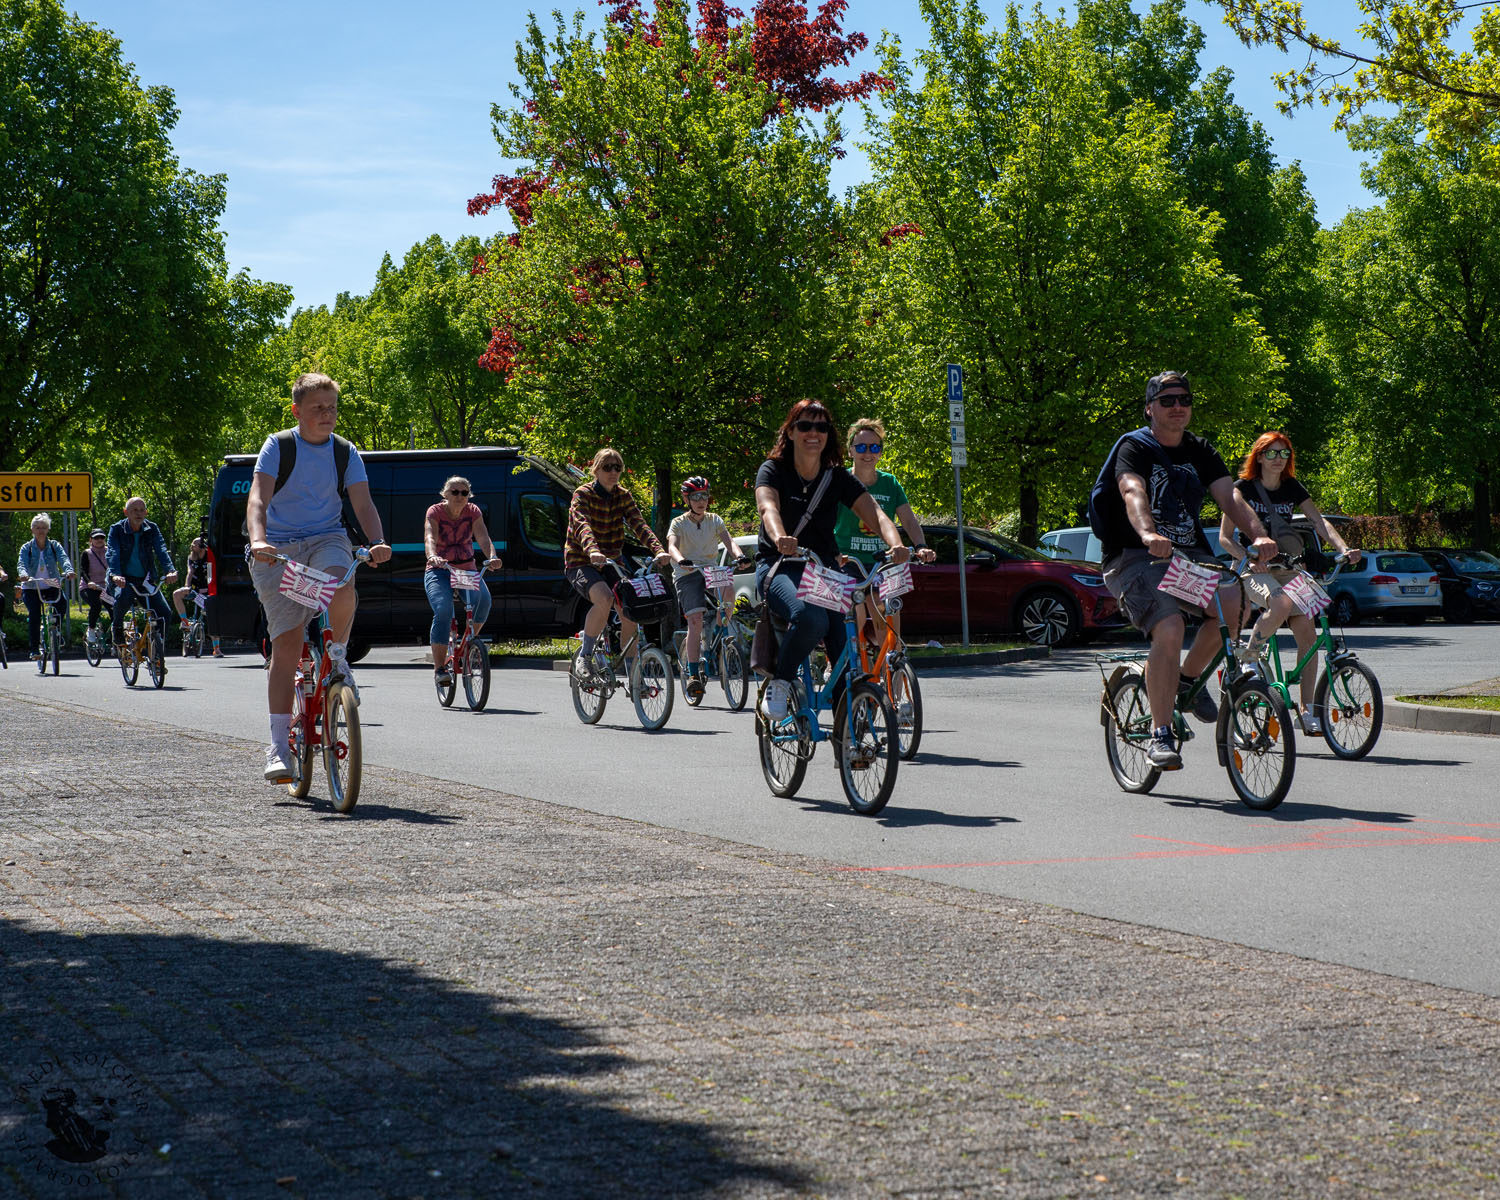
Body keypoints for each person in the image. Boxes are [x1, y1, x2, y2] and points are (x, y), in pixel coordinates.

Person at [1092, 371, 1276, 769]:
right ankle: (1160, 734)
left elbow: (1230, 496)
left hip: (1185, 557)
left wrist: (1259, 536)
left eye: (1184, 400)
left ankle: (1187, 681)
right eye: (1167, 400)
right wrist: (1147, 533)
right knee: (1170, 626)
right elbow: (1132, 491)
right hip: (1134, 556)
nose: (1178, 406)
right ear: (1150, 407)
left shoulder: (1200, 450)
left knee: (1234, 605)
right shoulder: (1134, 446)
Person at [246, 372, 391, 783]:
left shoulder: (345, 451)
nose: (327, 414)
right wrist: (259, 541)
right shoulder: (279, 446)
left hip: (326, 538)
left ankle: (339, 659)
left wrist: (377, 540)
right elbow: (258, 498)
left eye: (332, 407)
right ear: (297, 411)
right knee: (287, 641)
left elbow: (362, 502)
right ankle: (277, 745)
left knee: (342, 584)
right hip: (278, 549)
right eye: (317, 408)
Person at [754, 399, 910, 721]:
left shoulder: (836, 477)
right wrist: (780, 537)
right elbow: (767, 507)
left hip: (823, 571)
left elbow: (877, 514)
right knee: (813, 620)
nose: (814, 433)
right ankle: (781, 681)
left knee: (845, 638)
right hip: (780, 566)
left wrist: (896, 545)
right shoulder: (774, 470)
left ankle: (849, 735)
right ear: (791, 431)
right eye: (806, 426)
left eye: (822, 427)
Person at [1218, 430, 1360, 736]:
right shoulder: (1241, 488)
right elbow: (1225, 539)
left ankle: (1307, 712)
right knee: (1280, 601)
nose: (1278, 459)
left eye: (1284, 453)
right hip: (1250, 571)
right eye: (1272, 453)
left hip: (1288, 568)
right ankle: (1249, 657)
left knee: (1309, 636)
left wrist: (1343, 549)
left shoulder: (1292, 487)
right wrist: (1250, 559)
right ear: (1258, 456)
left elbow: (1319, 521)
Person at [564, 448, 671, 679]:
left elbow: (639, 525)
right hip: (581, 561)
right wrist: (592, 550)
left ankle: (633, 671)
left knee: (630, 610)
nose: (613, 472)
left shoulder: (623, 495)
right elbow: (583, 525)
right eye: (607, 467)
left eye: (617, 468)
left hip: (612, 561)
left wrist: (659, 550)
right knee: (604, 598)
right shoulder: (582, 494)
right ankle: (585, 655)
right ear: (596, 470)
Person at [833, 417, 936, 646]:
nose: (867, 452)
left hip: (884, 561)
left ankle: (892, 675)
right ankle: (839, 666)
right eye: (861, 447)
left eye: (874, 447)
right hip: (848, 560)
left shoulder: (890, 483)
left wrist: (920, 546)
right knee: (854, 612)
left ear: (880, 452)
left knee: (888, 621)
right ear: (850, 450)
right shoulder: (841, 480)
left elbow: (908, 521)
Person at [667, 476, 747, 699]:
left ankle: (720, 636)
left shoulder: (714, 519)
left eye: (704, 495)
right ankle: (694, 675)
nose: (702, 501)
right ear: (687, 499)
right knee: (696, 620)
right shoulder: (679, 523)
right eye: (696, 496)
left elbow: (729, 541)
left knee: (729, 589)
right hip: (687, 572)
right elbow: (672, 545)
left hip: (711, 569)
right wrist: (681, 559)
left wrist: (739, 556)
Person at [425, 475, 503, 688]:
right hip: (440, 569)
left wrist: (492, 556)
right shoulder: (435, 511)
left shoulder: (473, 511)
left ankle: (470, 644)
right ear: (445, 494)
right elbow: (429, 537)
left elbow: (483, 538)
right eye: (455, 492)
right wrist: (432, 555)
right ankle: (440, 669)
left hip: (466, 569)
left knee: (483, 601)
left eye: (464, 493)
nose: (460, 496)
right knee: (443, 610)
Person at [106, 498, 178, 669]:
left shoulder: (151, 528)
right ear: (126, 512)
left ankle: (155, 650)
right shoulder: (116, 529)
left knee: (164, 613)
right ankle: (116, 627)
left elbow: (161, 549)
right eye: (134, 510)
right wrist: (115, 574)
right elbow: (113, 553)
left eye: (141, 510)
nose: (138, 514)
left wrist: (170, 570)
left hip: (145, 579)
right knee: (123, 597)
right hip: (123, 578)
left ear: (146, 512)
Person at [16, 513, 73, 665]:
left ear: (48, 529)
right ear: (32, 530)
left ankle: (57, 632)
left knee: (62, 603)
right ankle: (34, 649)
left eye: (44, 528)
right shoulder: (27, 548)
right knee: (35, 613)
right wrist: (23, 575)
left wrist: (68, 571)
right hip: (31, 586)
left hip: (51, 584)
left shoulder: (54, 545)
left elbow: (63, 558)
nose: (41, 530)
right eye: (37, 527)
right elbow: (21, 563)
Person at [78, 528, 111, 648]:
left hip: (105, 587)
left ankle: (115, 635)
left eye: (101, 537)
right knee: (96, 605)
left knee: (115, 607)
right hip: (89, 587)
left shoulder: (110, 551)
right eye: (96, 538)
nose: (99, 540)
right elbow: (83, 571)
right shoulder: (87, 553)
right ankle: (91, 629)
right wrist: (90, 582)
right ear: (91, 540)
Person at [173, 537, 212, 633]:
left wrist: (208, 589)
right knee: (176, 594)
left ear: (202, 546)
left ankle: (216, 647)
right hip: (195, 589)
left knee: (212, 620)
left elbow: (212, 575)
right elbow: (190, 573)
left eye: (195, 544)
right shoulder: (191, 557)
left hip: (208, 590)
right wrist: (187, 586)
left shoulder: (209, 557)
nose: (192, 546)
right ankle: (185, 622)